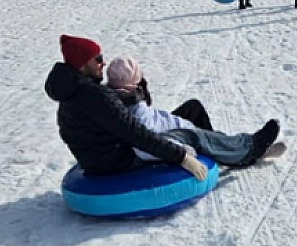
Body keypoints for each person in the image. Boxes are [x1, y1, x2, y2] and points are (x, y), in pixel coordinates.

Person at [44, 36, 278, 178]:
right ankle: (248, 149)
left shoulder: (74, 91)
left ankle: (226, 148)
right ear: (82, 64)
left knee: (190, 110)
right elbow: (135, 134)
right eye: (97, 59)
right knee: (189, 135)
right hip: (119, 161)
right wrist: (181, 157)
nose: (102, 63)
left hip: (105, 156)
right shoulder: (93, 95)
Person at [103, 57, 278, 166]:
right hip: (169, 137)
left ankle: (221, 144)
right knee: (197, 136)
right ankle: (248, 149)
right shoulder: (133, 112)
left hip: (164, 124)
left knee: (193, 107)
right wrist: (183, 152)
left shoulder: (115, 97)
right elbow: (145, 140)